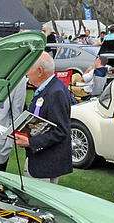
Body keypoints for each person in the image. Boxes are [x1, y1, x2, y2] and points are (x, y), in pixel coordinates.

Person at [14, 52, 73, 183]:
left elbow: (61, 131)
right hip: (40, 160)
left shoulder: (55, 92)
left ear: (40, 71)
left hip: (46, 163)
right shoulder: (48, 88)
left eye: (29, 68)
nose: (27, 73)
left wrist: (31, 142)